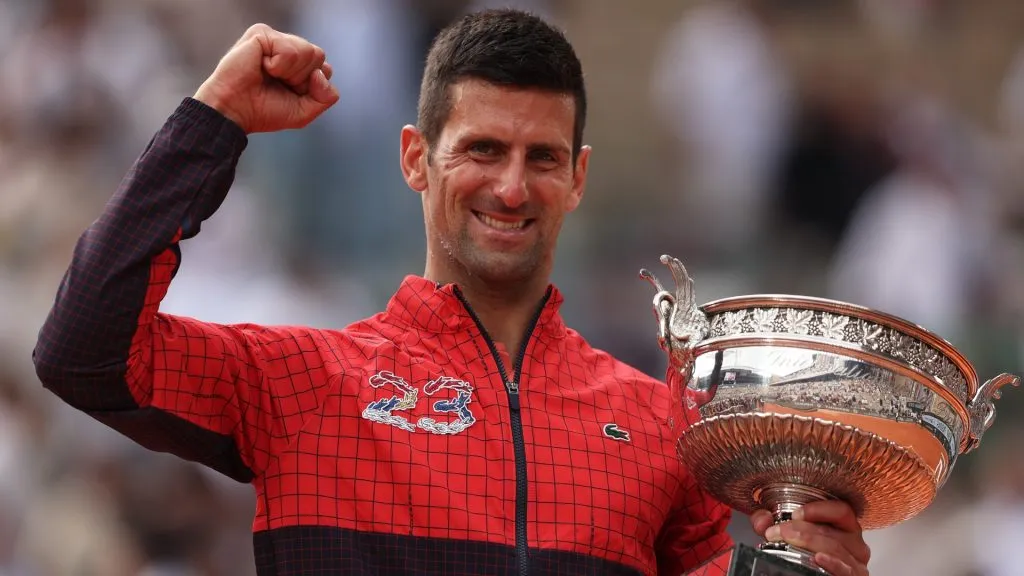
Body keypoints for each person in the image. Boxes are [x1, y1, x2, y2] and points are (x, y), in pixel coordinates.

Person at [32, 9, 871, 576]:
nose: (511, 187)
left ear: (577, 180)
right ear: (414, 159)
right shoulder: (299, 381)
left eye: (542, 158)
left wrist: (801, 562)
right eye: (481, 149)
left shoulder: (661, 425)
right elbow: (84, 352)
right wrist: (212, 119)